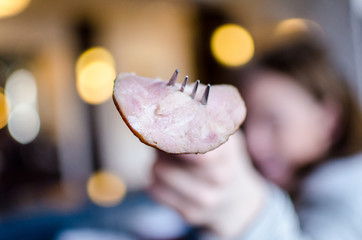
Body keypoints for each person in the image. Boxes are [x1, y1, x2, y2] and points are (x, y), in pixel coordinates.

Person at [148, 37, 362, 239]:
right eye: (247, 124)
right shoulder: (291, 185)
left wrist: (243, 208)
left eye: (273, 120)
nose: (254, 143)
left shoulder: (350, 191)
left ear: (329, 121)